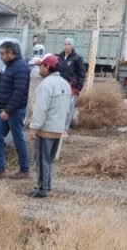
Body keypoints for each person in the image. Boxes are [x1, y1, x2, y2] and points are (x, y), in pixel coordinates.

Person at [26, 53, 71, 198]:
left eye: (41, 65)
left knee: (41, 160)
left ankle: (42, 188)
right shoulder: (65, 83)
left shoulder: (45, 85)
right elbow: (68, 109)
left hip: (45, 129)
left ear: (47, 67)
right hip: (58, 129)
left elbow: (41, 109)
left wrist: (34, 128)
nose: (39, 68)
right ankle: (47, 185)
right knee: (48, 160)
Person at [0, 41, 31, 179]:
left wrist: (8, 110)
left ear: (11, 53)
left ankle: (24, 169)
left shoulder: (21, 68)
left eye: (2, 53)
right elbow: (8, 85)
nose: (0, 57)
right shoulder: (11, 66)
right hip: (5, 110)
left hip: (14, 111)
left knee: (18, 139)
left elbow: (19, 92)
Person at [57, 38, 85, 129]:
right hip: (59, 87)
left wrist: (78, 87)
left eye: (68, 44)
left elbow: (81, 74)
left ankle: (65, 128)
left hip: (71, 87)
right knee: (59, 107)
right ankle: (58, 126)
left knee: (68, 108)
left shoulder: (77, 58)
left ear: (72, 46)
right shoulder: (59, 57)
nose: (66, 46)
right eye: (65, 44)